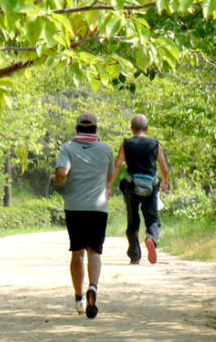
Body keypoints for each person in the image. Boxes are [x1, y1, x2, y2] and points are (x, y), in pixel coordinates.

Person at [55, 112, 114, 319]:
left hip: (75, 207)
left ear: (76, 129)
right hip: (98, 209)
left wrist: (61, 179)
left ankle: (80, 299)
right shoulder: (107, 149)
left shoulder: (68, 149)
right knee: (94, 252)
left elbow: (62, 173)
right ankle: (94, 287)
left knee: (77, 252)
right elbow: (108, 175)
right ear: (96, 130)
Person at [107, 114, 169, 264]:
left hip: (132, 185)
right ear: (147, 129)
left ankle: (135, 256)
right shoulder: (155, 145)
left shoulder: (126, 143)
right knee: (153, 220)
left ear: (132, 129)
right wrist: (164, 182)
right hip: (151, 187)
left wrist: (109, 185)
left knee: (133, 221)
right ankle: (151, 238)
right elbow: (163, 167)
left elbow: (117, 165)